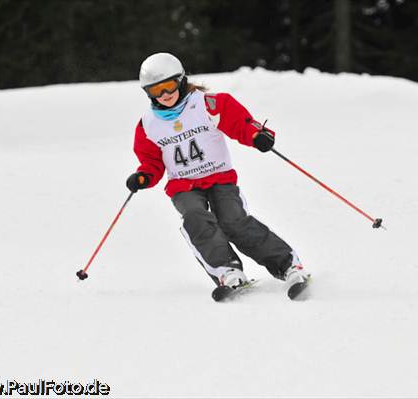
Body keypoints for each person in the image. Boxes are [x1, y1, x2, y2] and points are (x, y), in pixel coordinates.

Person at [126, 52, 309, 299]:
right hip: (183, 184)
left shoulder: (208, 104)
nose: (164, 95)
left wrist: (257, 136)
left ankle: (287, 264)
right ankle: (227, 271)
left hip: (219, 177)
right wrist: (144, 176)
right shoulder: (148, 124)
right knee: (195, 217)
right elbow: (151, 161)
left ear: (180, 80)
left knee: (233, 221)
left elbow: (240, 123)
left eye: (168, 86)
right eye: (155, 90)